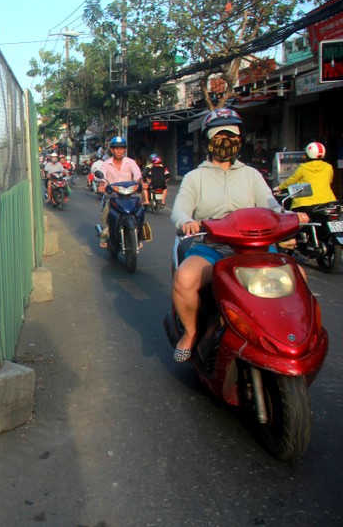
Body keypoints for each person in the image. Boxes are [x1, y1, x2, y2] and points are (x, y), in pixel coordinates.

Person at [169, 108, 308, 363]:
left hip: (256, 247)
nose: (226, 142)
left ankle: (296, 334)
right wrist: (187, 221)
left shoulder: (251, 175)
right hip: (213, 246)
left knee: (298, 277)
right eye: (219, 136)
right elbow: (179, 209)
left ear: (239, 140)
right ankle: (190, 333)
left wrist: (291, 219)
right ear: (208, 141)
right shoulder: (194, 177)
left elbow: (272, 206)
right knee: (184, 278)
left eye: (231, 136)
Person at [98, 136, 142, 247]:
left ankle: (139, 235)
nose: (119, 151)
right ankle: (105, 234)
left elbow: (137, 175)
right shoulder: (106, 164)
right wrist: (102, 184)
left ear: (124, 150)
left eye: (121, 148)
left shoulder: (130, 162)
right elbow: (102, 177)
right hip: (113, 195)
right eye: (116, 148)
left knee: (140, 210)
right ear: (112, 150)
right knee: (106, 211)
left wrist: (140, 181)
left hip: (129, 195)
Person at [273, 142, 336, 212]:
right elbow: (329, 181)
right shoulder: (328, 167)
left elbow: (292, 180)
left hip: (304, 204)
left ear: (307, 155)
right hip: (326, 202)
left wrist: (280, 187)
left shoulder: (303, 167)